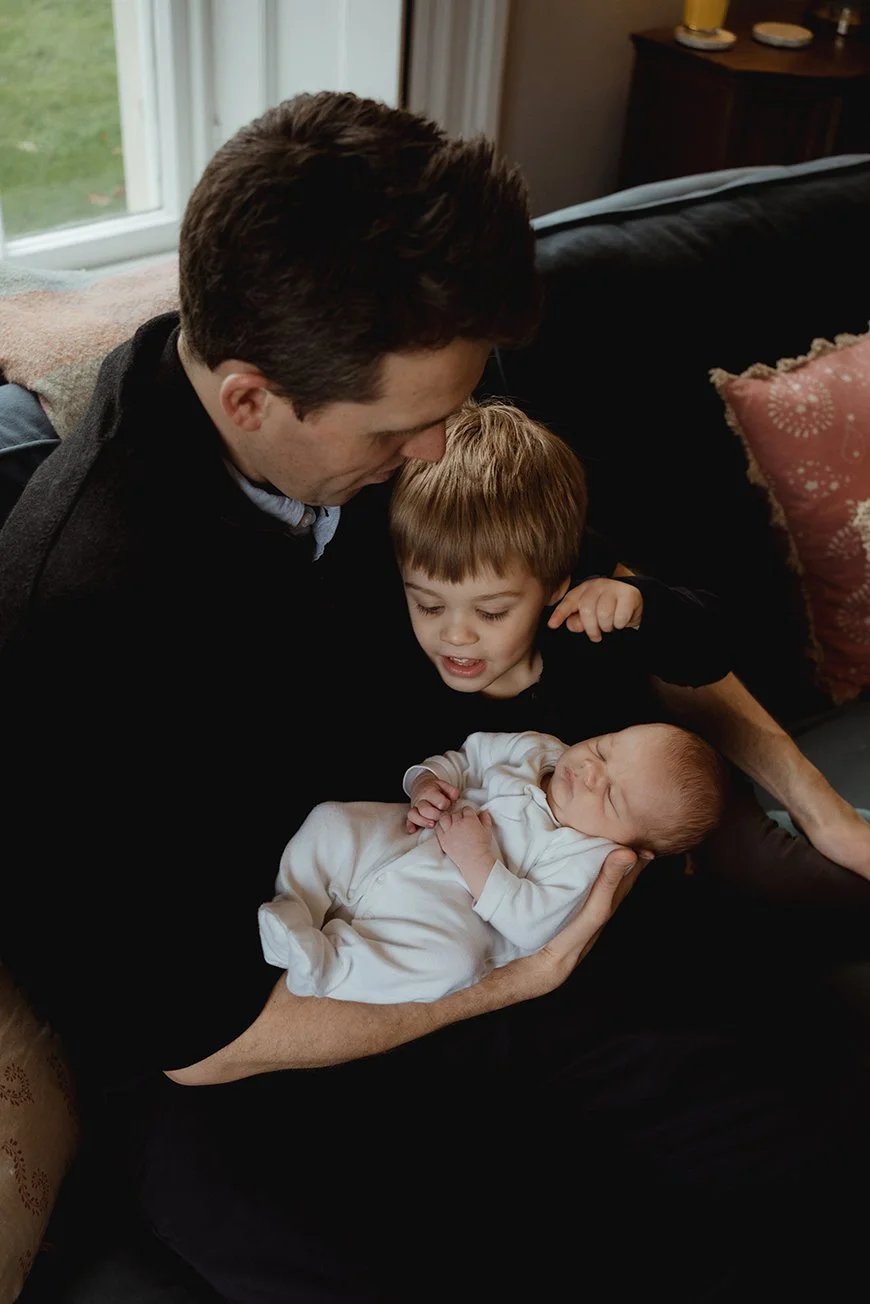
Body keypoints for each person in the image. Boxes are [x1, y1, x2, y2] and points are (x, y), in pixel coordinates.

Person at [0, 93, 867, 1302]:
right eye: (409, 430)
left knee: (820, 1133)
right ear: (250, 397)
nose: (439, 451)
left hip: (490, 883)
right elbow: (192, 1034)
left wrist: (818, 803)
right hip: (275, 1032)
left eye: (457, 408)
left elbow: (603, 595)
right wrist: (516, 977)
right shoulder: (83, 610)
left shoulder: (403, 395)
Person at [260, 724, 727, 1004]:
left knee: (451, 966)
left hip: (439, 915)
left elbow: (529, 926)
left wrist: (477, 858)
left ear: (636, 848)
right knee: (331, 821)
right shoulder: (538, 750)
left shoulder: (588, 859)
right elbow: (465, 759)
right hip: (407, 838)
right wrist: (427, 784)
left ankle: (327, 965)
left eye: (608, 795)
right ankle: (296, 907)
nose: (588, 770)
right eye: (605, 747)